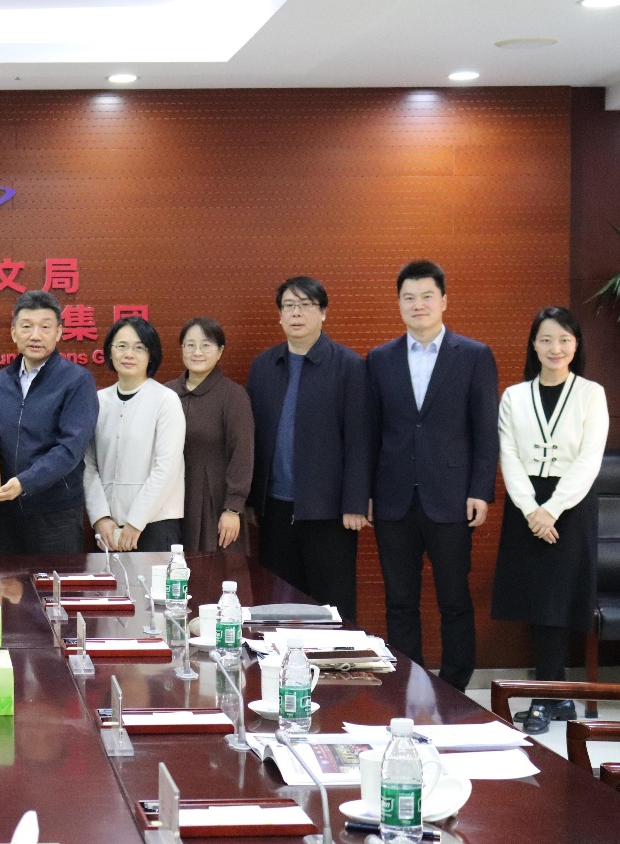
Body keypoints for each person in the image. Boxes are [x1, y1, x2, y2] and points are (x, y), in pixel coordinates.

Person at [367, 260, 499, 692]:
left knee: (454, 599)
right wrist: (365, 492)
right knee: (400, 601)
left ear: (444, 301)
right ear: (399, 304)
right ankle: (409, 681)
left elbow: (486, 430)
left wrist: (481, 490)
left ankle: (456, 687)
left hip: (452, 497)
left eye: (427, 296)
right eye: (409, 297)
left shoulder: (474, 355)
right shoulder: (380, 359)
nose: (418, 304)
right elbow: (371, 432)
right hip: (393, 499)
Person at [493, 306, 608, 734]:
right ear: (534, 345)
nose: (555, 348)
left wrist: (553, 510)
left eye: (564, 339)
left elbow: (589, 459)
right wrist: (531, 510)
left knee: (557, 601)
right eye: (546, 340)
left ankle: (546, 697)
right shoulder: (514, 396)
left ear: (576, 345)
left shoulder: (591, 393)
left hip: (571, 505)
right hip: (526, 505)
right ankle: (555, 695)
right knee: (536, 601)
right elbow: (509, 457)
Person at [246, 276, 369, 623]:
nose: (296, 313)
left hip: (329, 512)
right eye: (289, 306)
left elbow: (360, 439)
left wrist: (355, 502)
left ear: (323, 312)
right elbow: (253, 437)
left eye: (305, 305)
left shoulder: (348, 365)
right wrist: (254, 499)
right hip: (275, 509)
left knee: (332, 606)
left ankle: (334, 659)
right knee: (276, 604)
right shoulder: (263, 366)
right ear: (280, 316)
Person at [0, 290, 99, 554]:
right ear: (14, 333)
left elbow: (70, 448)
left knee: (55, 581)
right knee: (11, 580)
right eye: (26, 326)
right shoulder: (0, 382)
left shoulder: (77, 380)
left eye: (45, 327)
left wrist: (25, 482)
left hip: (56, 511)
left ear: (59, 333)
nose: (35, 335)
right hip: (9, 509)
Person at [84, 316, 185, 552]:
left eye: (139, 348)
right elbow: (88, 464)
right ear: (110, 352)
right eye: (121, 346)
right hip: (107, 530)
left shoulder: (165, 400)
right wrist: (100, 517)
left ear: (151, 355)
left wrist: (135, 522)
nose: (129, 354)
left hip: (155, 524)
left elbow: (166, 468)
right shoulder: (98, 401)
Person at [164, 317, 254, 553]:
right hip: (168, 503)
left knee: (213, 569)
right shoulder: (166, 393)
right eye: (190, 345)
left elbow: (242, 454)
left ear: (220, 351)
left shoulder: (233, 396)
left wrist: (233, 508)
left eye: (206, 345)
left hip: (214, 502)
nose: (197, 352)